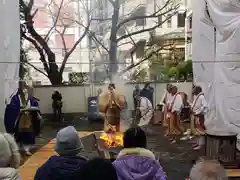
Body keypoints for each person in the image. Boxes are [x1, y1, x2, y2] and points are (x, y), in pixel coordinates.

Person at [4, 82, 41, 155]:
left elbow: (35, 104)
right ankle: (17, 149)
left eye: (25, 87)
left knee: (29, 133)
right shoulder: (15, 97)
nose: (24, 90)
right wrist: (19, 110)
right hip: (19, 117)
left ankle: (27, 148)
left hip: (28, 117)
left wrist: (34, 108)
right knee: (19, 133)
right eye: (23, 87)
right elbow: (11, 107)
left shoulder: (30, 97)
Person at [189, 86, 207, 150]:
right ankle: (197, 142)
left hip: (199, 116)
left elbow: (205, 106)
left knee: (200, 130)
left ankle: (201, 144)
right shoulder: (197, 97)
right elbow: (195, 105)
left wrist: (199, 113)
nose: (193, 91)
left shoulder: (201, 97)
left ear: (197, 90)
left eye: (194, 90)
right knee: (196, 130)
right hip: (196, 115)